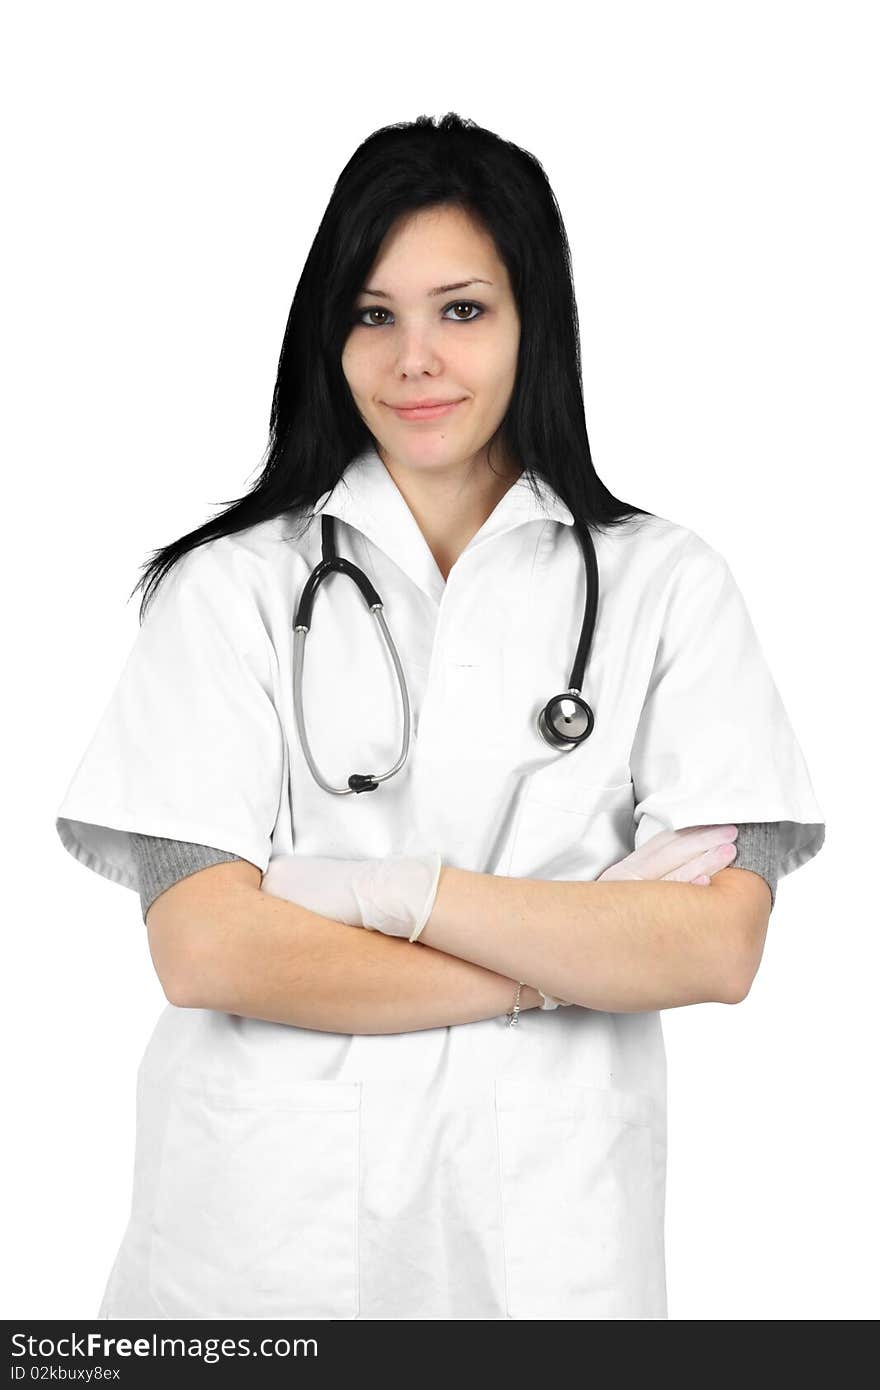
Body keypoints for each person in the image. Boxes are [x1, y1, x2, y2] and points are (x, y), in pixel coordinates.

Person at [55, 113, 825, 1321]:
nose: (414, 358)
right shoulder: (234, 589)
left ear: (535, 323)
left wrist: (380, 895)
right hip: (259, 1242)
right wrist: (565, 958)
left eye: (461, 309)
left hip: (554, 1235)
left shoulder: (668, 586)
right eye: (374, 314)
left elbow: (714, 949)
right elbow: (205, 947)